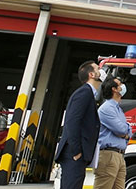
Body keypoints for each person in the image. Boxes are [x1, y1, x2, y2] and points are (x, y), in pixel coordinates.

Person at [54, 61, 102, 189]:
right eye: (98, 68)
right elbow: (72, 122)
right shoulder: (84, 93)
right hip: (73, 153)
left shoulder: (88, 93)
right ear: (92, 74)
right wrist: (77, 151)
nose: (101, 71)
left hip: (76, 154)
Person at [94, 77, 132, 189]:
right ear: (114, 89)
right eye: (120, 84)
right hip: (108, 156)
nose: (123, 87)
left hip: (119, 155)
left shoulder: (118, 109)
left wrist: (126, 132)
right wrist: (125, 132)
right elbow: (122, 130)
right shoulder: (106, 109)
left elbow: (128, 131)